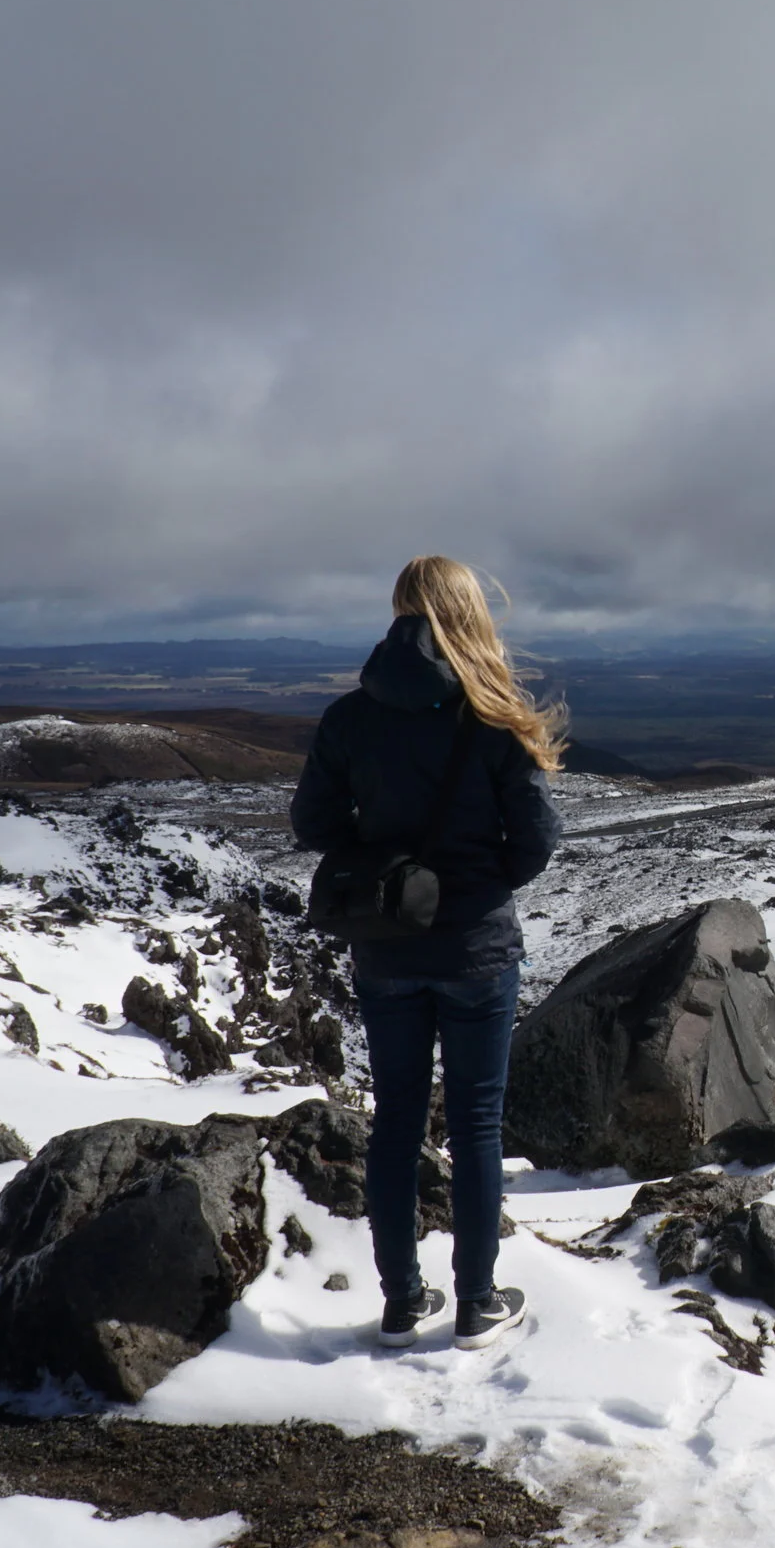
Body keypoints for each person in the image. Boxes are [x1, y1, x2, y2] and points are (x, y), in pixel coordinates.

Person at [292, 557, 564, 1350]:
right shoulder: (495, 714)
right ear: (468, 613)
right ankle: (477, 1303)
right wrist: (479, 885)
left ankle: (402, 1303)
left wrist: (385, 860)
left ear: (400, 610)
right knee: (476, 1125)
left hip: (387, 949)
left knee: (396, 1120)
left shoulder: (351, 716)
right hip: (477, 949)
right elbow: (537, 837)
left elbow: (312, 823)